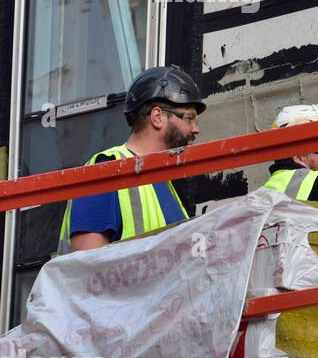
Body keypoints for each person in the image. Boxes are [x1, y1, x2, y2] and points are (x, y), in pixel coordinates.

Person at [57, 66, 206, 254]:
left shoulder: (166, 188)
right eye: (189, 118)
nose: (195, 129)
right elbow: (86, 270)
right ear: (158, 117)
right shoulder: (106, 172)